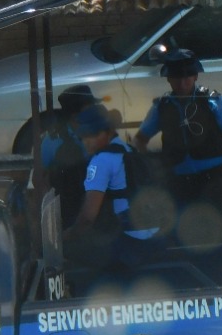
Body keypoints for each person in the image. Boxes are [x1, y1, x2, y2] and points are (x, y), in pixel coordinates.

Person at [134, 48, 222, 246]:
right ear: (168, 79)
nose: (182, 83)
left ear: (195, 76)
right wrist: (154, 166)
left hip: (215, 180)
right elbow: (140, 139)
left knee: (219, 235)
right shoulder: (162, 106)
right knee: (182, 236)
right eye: (176, 78)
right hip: (179, 183)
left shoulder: (213, 101)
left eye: (187, 78)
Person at [62, 104, 162, 271]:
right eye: (84, 136)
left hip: (130, 245)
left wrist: (67, 236)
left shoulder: (101, 160)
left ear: (108, 132)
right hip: (156, 239)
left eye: (93, 135)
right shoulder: (130, 150)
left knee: (69, 251)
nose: (87, 141)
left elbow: (87, 218)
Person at [39, 84, 102, 226]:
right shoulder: (52, 141)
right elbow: (41, 178)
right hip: (68, 211)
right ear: (75, 115)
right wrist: (51, 215)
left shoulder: (101, 133)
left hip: (100, 208)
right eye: (89, 109)